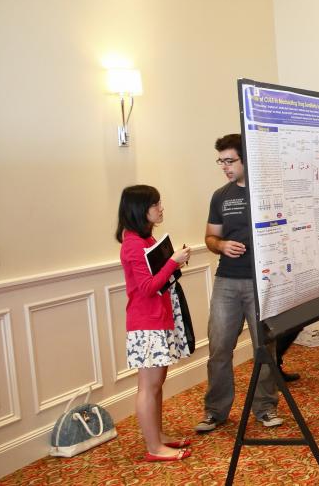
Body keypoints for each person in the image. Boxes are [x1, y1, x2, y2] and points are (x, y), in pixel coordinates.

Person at [195, 134, 284, 434]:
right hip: (227, 282)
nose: (225, 167)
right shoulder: (220, 196)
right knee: (219, 347)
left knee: (264, 346)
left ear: (246, 159)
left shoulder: (270, 191)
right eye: (221, 161)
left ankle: (265, 406)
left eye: (230, 161)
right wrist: (220, 246)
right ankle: (215, 411)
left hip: (264, 281)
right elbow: (209, 237)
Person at [116, 185, 194, 461]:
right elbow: (148, 288)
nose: (161, 208)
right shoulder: (133, 245)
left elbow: (159, 279)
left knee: (157, 383)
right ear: (141, 210)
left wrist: (174, 263)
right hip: (145, 322)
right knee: (148, 386)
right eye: (156, 204)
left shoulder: (146, 241)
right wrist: (173, 262)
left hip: (157, 318)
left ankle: (157, 436)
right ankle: (153, 447)